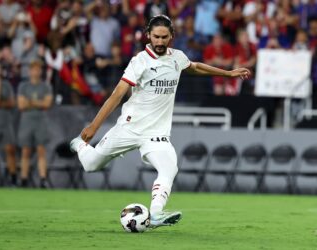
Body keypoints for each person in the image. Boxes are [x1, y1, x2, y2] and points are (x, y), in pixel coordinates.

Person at [70, 15, 250, 229]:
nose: (160, 41)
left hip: (156, 134)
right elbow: (117, 95)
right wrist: (94, 126)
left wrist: (228, 74)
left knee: (169, 168)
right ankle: (78, 144)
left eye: (164, 37)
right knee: (91, 165)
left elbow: (195, 67)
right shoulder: (140, 61)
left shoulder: (177, 57)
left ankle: (155, 214)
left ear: (171, 36)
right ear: (148, 35)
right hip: (129, 128)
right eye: (156, 37)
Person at [17, 59, 53, 188]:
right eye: (34, 69)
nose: (36, 71)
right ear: (30, 71)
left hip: (40, 120)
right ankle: (23, 178)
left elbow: (47, 103)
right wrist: (39, 103)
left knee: (41, 150)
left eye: (38, 69)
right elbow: (21, 105)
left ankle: (42, 179)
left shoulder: (46, 86)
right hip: (26, 120)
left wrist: (31, 102)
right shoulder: (23, 86)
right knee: (25, 150)